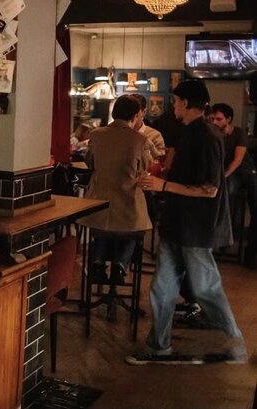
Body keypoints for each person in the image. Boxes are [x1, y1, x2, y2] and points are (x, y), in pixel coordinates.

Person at [128, 80, 246, 365]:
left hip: (196, 227)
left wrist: (163, 185)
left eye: (176, 100)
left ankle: (235, 345)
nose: (173, 106)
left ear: (186, 102)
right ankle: (159, 346)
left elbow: (210, 189)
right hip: (177, 224)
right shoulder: (190, 132)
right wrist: (163, 179)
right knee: (162, 288)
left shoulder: (206, 136)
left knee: (206, 288)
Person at [76, 95, 152, 285]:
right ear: (135, 116)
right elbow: (145, 167)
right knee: (134, 227)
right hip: (128, 205)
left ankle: (97, 263)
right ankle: (120, 265)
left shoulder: (96, 135)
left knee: (102, 228)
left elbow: (90, 161)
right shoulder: (140, 140)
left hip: (97, 205)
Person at [211, 103, 257, 268]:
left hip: (245, 171)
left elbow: (238, 160)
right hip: (230, 174)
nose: (215, 122)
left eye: (219, 119)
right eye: (213, 119)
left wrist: (223, 176)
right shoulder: (214, 135)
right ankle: (224, 238)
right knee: (226, 197)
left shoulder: (238, 133)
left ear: (228, 119)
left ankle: (249, 251)